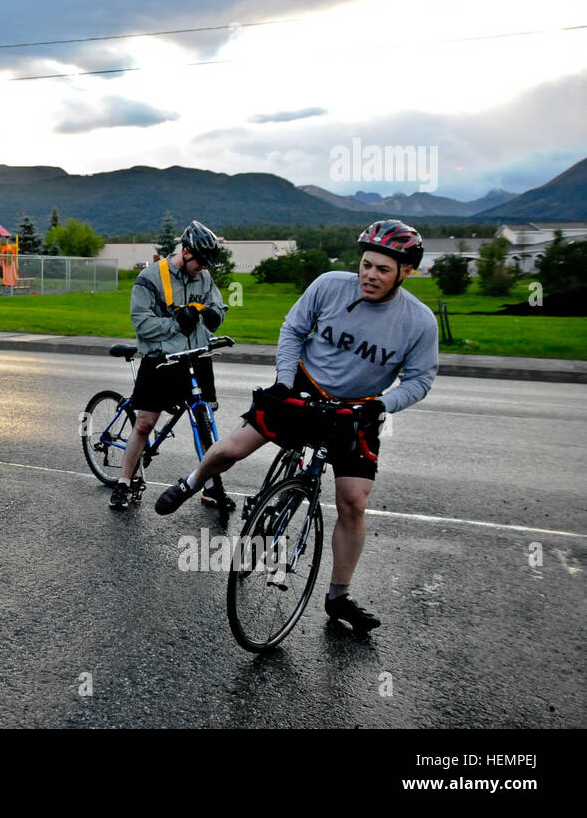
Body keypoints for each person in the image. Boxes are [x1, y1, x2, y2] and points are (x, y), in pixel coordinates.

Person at [154, 220, 438, 632]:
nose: (370, 276)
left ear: (405, 272)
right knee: (232, 449)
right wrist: (285, 380)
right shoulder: (328, 285)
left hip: (361, 408)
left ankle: (339, 597)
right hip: (302, 385)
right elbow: (292, 330)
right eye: (366, 265)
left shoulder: (418, 321)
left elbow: (420, 379)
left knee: (353, 502)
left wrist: (382, 405)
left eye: (382, 270)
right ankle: (192, 481)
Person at [109, 220, 227, 510]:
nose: (204, 266)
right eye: (200, 260)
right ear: (185, 252)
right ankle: (124, 482)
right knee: (146, 423)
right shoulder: (150, 278)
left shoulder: (204, 276)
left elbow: (217, 306)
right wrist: (177, 322)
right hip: (161, 360)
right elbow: (142, 323)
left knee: (204, 424)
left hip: (196, 358)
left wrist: (215, 317)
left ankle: (211, 487)